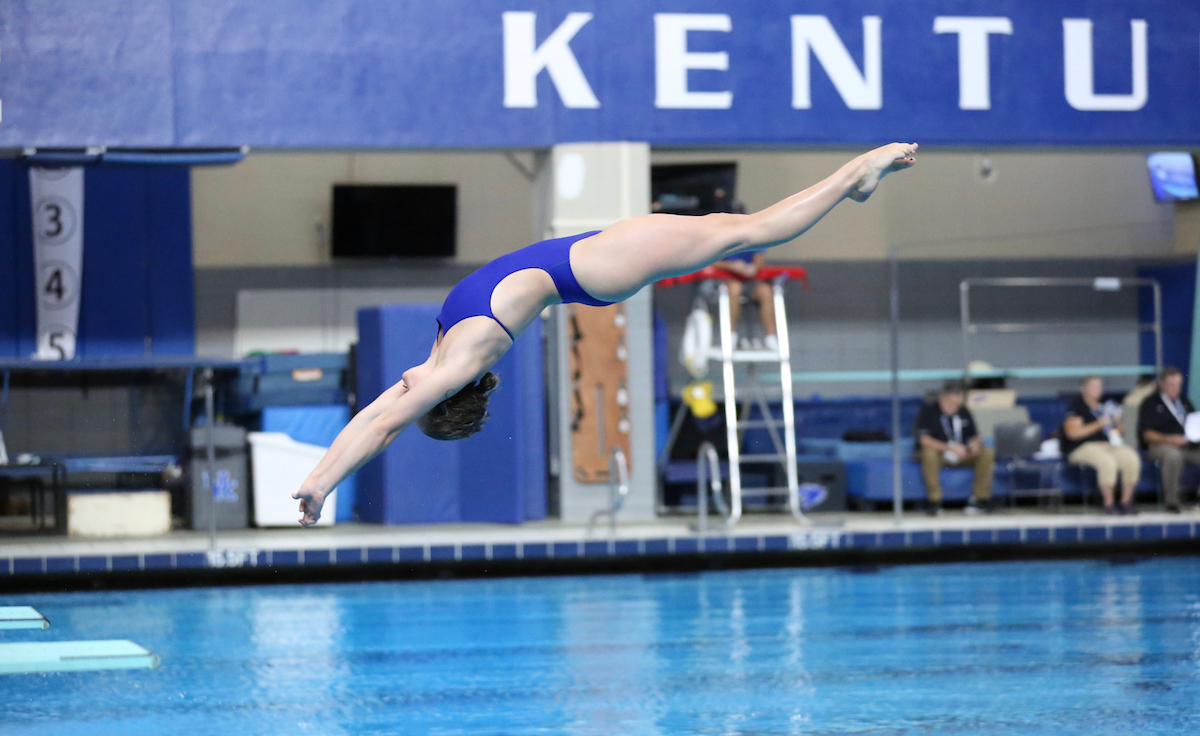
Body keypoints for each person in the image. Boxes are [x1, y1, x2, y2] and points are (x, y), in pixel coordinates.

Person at [292, 142, 919, 525]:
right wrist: (324, 486)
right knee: (746, 232)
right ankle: (854, 177)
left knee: (741, 228)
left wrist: (322, 475)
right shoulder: (456, 361)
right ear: (442, 399)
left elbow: (381, 417)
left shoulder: (440, 356)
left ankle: (851, 179)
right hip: (595, 267)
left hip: (591, 259)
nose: (400, 390)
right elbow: (384, 426)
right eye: (419, 401)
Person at [1060, 375, 1140, 515]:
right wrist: (1098, 424)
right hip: (1082, 447)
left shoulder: (1106, 406)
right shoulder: (1077, 406)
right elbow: (1073, 433)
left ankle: (1125, 502)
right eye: (1094, 386)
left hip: (1107, 444)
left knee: (1131, 458)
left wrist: (1118, 421)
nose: (1098, 390)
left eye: (1100, 386)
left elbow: (1120, 432)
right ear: (1084, 389)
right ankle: (1109, 504)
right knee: (1107, 461)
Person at [914, 381, 994, 516]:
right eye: (953, 399)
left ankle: (980, 499)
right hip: (941, 454)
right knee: (929, 454)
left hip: (962, 454)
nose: (956, 404)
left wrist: (974, 444)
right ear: (943, 397)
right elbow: (924, 440)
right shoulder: (928, 411)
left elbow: (975, 435)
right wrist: (950, 448)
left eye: (959, 399)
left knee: (987, 452)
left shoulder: (963, 411)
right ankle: (934, 501)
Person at [713, 203, 777, 351]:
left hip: (750, 281)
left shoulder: (754, 235)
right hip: (727, 282)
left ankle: (771, 337)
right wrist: (732, 266)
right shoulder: (721, 237)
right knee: (735, 289)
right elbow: (712, 262)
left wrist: (752, 268)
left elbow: (759, 260)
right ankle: (731, 334)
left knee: (766, 292)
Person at [1139, 366, 1199, 513]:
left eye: (1179, 385)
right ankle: (1172, 501)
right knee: (1173, 456)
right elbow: (1147, 434)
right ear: (1162, 384)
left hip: (1187, 444)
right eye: (1172, 385)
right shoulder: (1150, 403)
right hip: (1161, 445)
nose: (1176, 389)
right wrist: (1170, 439)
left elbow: (1194, 422)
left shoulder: (1184, 401)